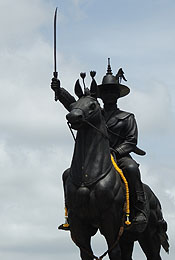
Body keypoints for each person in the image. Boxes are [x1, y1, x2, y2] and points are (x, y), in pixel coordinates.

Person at [51, 59, 148, 228]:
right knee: (67, 174)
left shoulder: (127, 117)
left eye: (113, 92)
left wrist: (115, 152)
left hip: (119, 156)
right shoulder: (95, 113)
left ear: (117, 95)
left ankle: (139, 209)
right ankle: (71, 216)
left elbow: (131, 141)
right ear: (101, 95)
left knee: (132, 169)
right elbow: (74, 106)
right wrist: (59, 91)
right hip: (96, 158)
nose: (110, 95)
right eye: (106, 92)